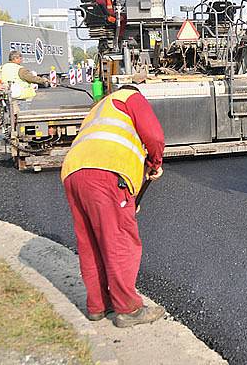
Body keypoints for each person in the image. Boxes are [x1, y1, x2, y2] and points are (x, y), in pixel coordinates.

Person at [61, 76, 166, 328]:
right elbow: (154, 136)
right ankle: (128, 309)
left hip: (73, 171)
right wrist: (154, 163)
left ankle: (98, 306)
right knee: (119, 239)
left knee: (90, 241)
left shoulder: (99, 107)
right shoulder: (132, 98)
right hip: (106, 174)